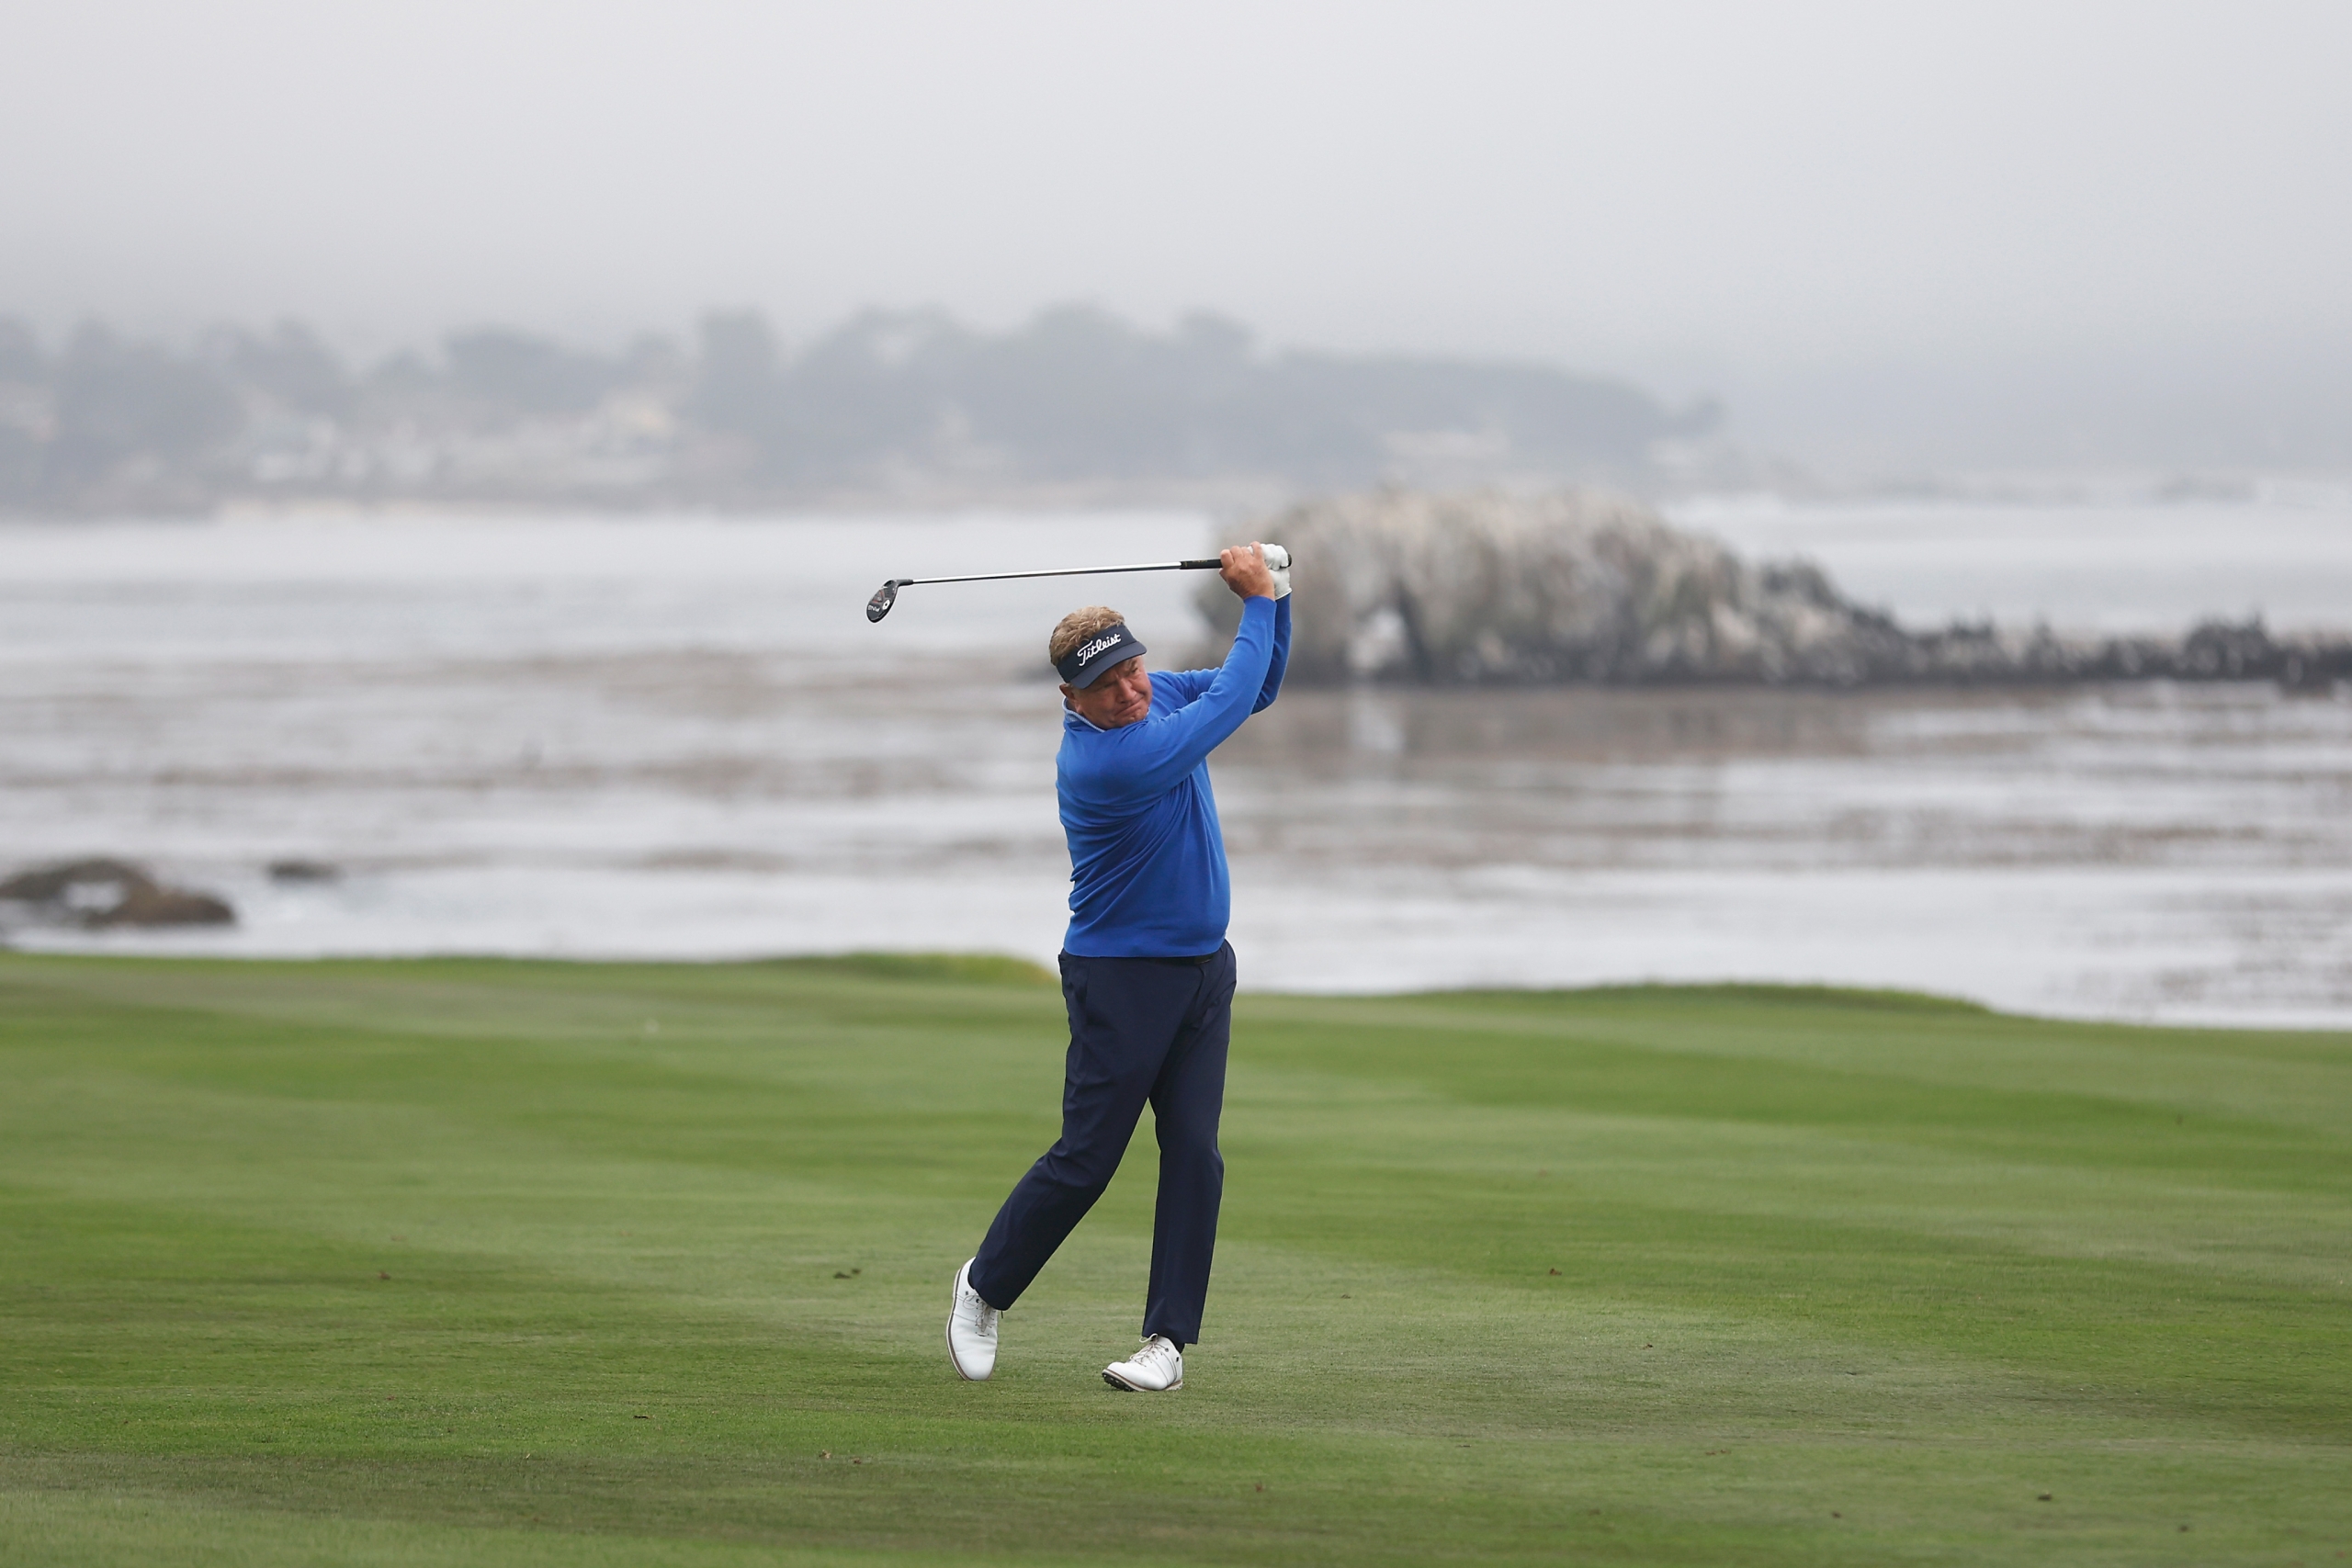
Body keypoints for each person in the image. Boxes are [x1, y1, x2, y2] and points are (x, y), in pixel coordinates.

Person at [946, 541, 1291, 1393]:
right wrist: (1256, 600)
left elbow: (1261, 687)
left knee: (1195, 1155)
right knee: (1089, 1159)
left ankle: (1166, 1344)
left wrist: (1278, 596)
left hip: (1204, 971)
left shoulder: (1155, 704)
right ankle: (983, 1286)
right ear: (1071, 699)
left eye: (1134, 670)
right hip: (1121, 979)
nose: (1132, 691)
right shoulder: (1106, 761)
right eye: (1107, 686)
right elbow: (1231, 699)